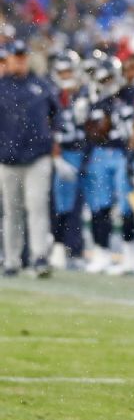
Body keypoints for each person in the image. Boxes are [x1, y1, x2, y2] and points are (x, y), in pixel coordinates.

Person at [0, 40, 57, 277]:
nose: (20, 60)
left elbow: (57, 116)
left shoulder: (41, 86)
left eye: (23, 56)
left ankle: (39, 256)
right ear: (8, 59)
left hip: (37, 157)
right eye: (16, 56)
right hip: (7, 158)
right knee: (11, 210)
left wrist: (50, 141)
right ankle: (12, 259)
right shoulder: (1, 87)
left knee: (37, 205)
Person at [84, 53, 134, 275]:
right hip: (101, 154)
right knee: (100, 206)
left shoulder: (132, 96)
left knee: (128, 206)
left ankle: (130, 254)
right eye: (104, 80)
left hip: (124, 153)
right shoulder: (95, 102)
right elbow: (92, 133)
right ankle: (102, 252)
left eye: (110, 79)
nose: (108, 84)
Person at [49, 50, 89, 271]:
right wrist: (55, 155)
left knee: (78, 204)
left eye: (69, 71)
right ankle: (58, 245)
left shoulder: (86, 93)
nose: (66, 75)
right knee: (59, 204)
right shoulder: (51, 94)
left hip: (83, 152)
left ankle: (75, 248)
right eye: (62, 72)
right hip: (61, 152)